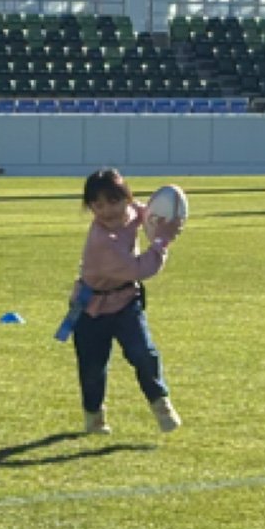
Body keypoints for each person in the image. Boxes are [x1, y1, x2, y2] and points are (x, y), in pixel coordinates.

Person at [66, 168, 184, 435]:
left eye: (113, 201)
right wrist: (162, 241)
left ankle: (160, 403)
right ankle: (94, 415)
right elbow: (138, 269)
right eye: (97, 205)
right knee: (93, 369)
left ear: (127, 198)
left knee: (144, 352)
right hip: (90, 310)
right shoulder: (102, 241)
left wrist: (162, 217)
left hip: (126, 301)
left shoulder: (130, 212)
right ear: (89, 207)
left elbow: (147, 215)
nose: (107, 210)